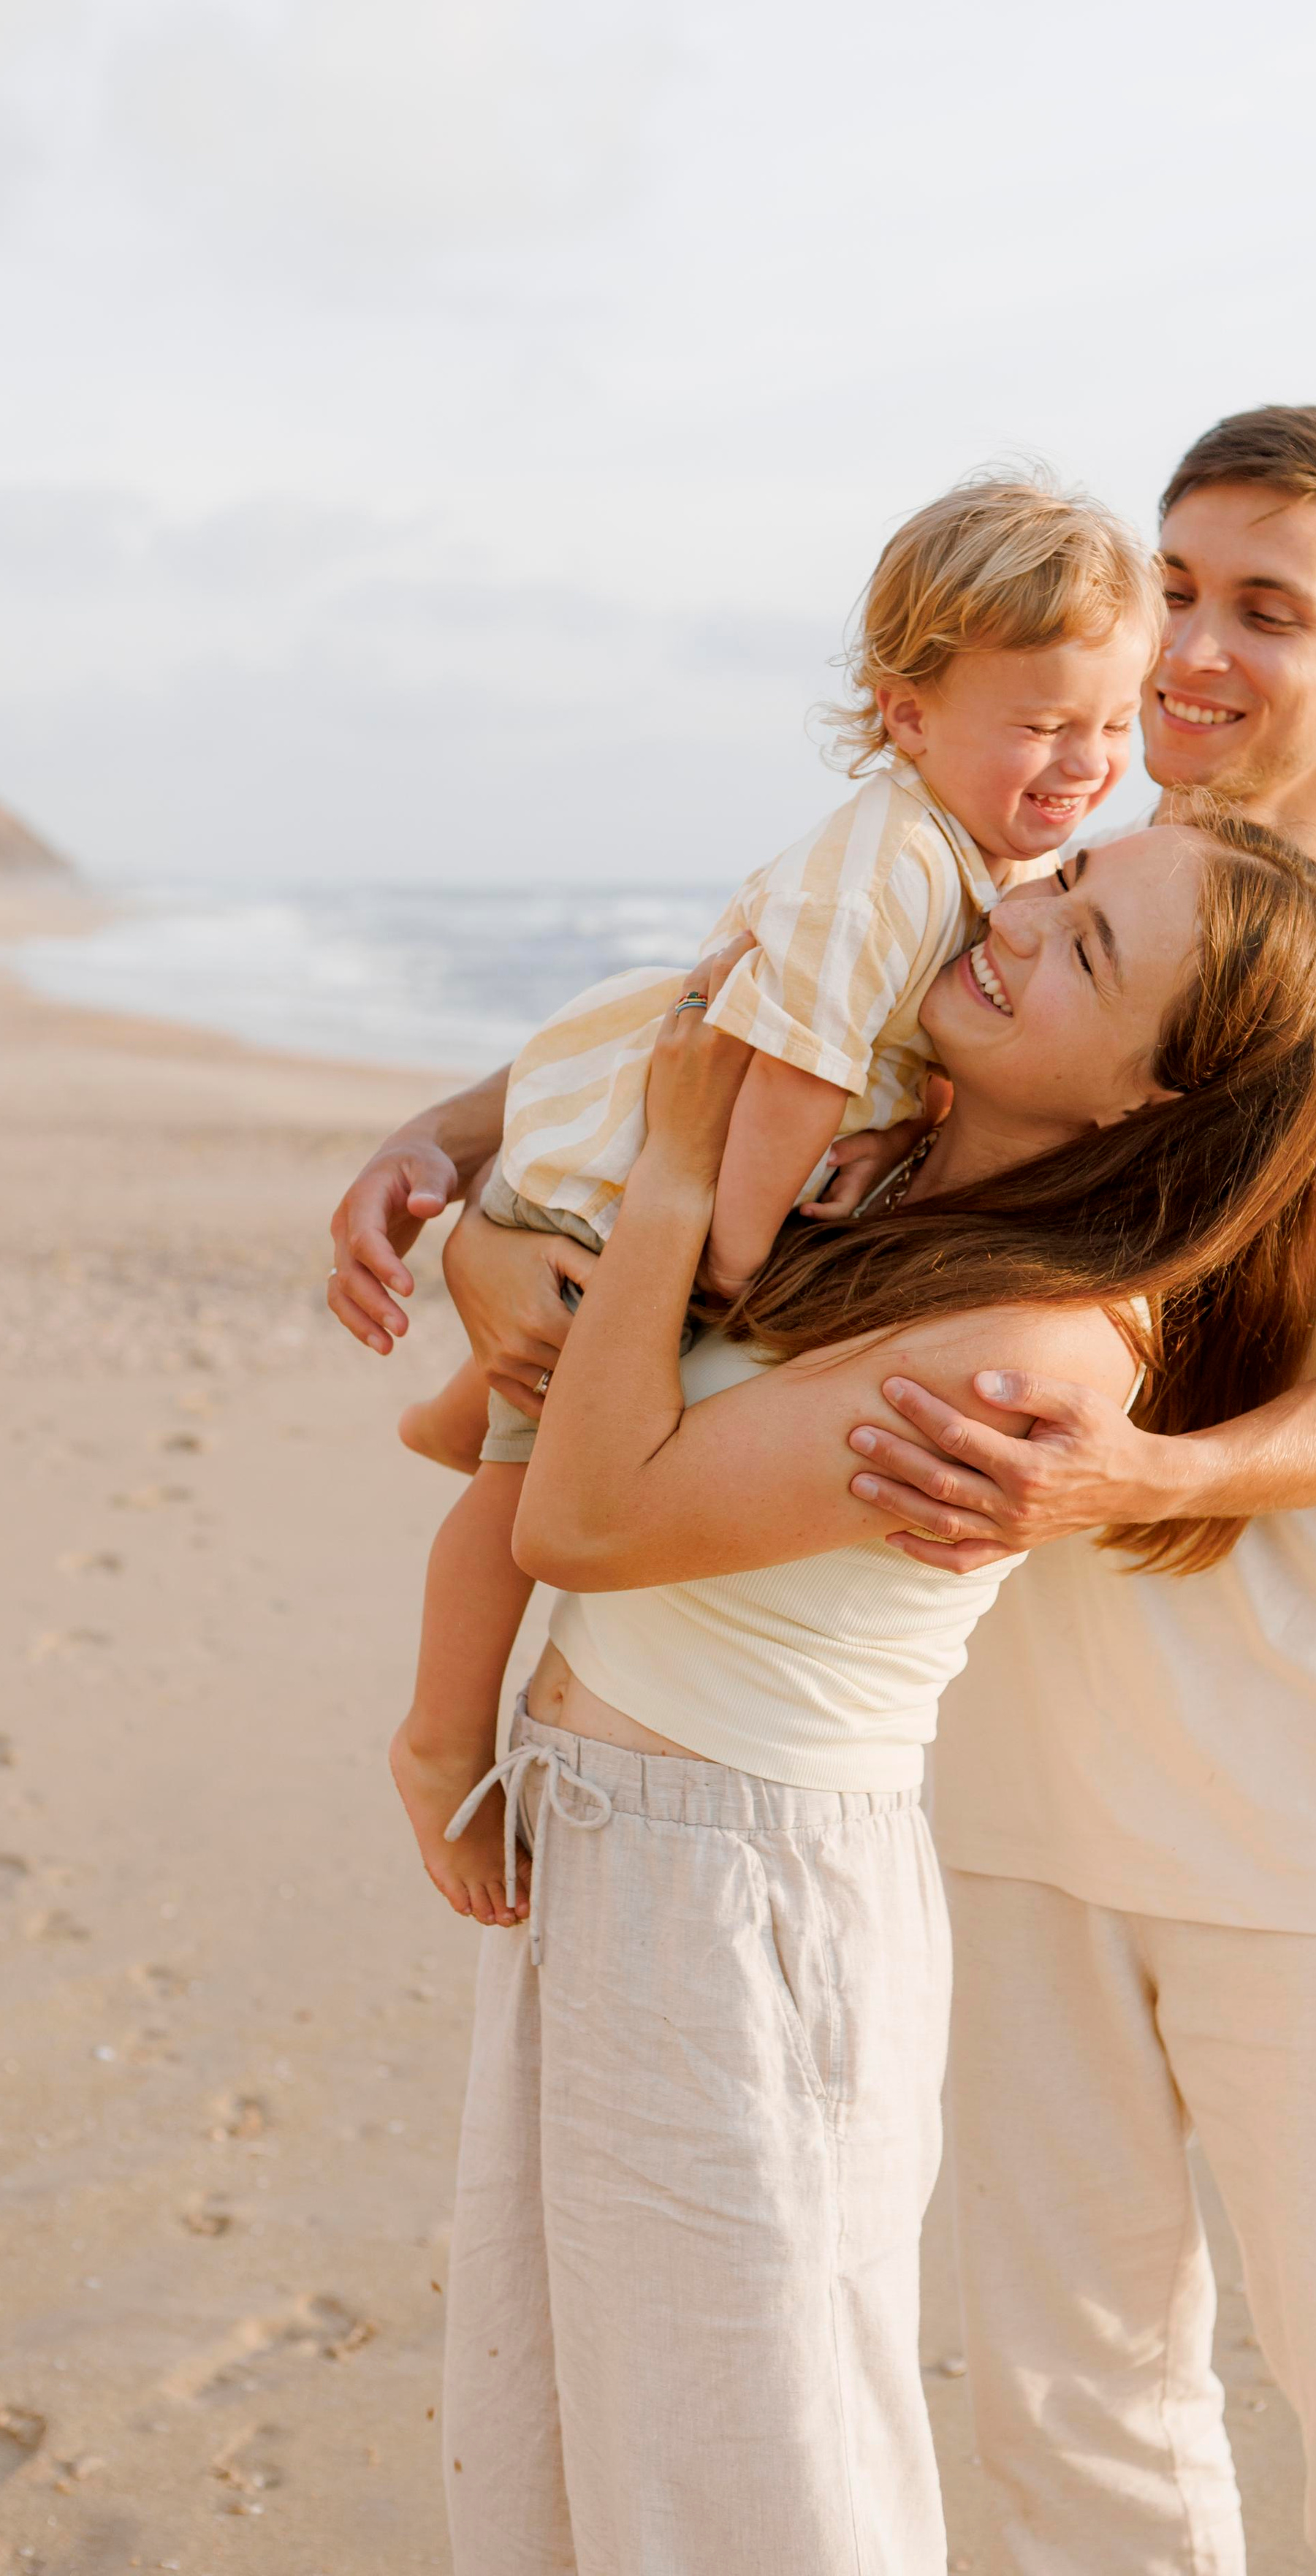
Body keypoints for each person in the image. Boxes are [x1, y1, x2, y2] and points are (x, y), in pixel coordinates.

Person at [426, 817, 1316, 2572]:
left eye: (1088, 950)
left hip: (739, 1902)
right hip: (613, 1846)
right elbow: (546, 1333)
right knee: (574, 2451)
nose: (1018, 914)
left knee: (751, 2489)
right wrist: (483, 1238)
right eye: (1062, 880)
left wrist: (674, 1169)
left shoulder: (1025, 1347)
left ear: (1148, 1106)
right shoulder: (876, 1168)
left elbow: (584, 1510)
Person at [835, 406, 1316, 2576]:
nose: (1195, 649)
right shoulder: (1016, 906)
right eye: (1174, 585)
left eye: (1272, 608)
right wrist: (470, 1138)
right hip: (1007, 1785)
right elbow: (748, 1045)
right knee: (1072, 2414)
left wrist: (1144, 1475)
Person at [387, 476, 1157, 1925]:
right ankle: (436, 1738)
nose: (1085, 760)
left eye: (1113, 724)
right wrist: (737, 1275)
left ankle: (446, 1414)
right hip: (643, 1181)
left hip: (704, 1166)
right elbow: (793, 1076)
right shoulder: (884, 866)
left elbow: (914, 1061)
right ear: (906, 714)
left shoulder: (1004, 853)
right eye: (1044, 724)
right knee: (522, 1463)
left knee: (525, 1411)